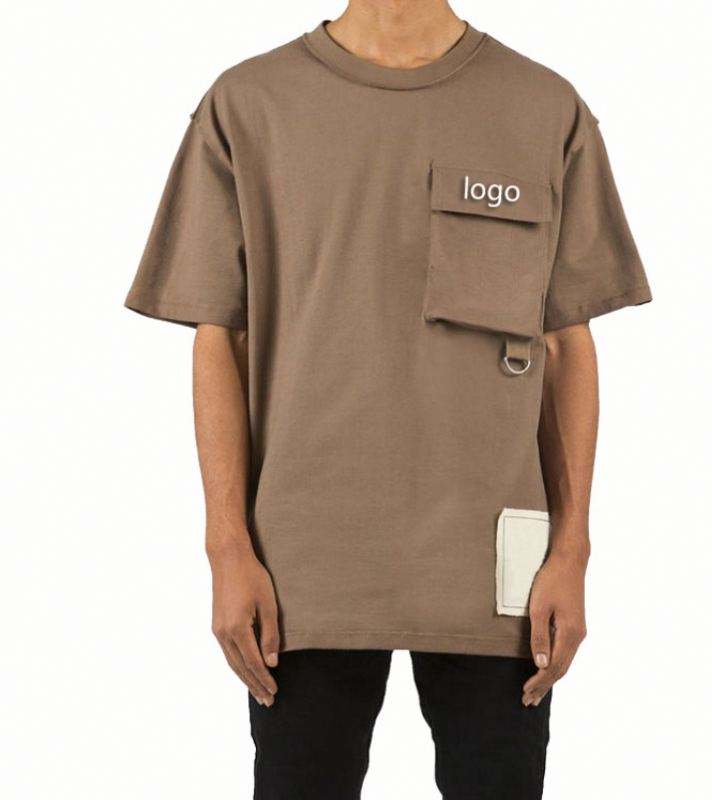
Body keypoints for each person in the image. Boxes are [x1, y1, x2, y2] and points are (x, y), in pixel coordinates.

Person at [125, 1, 651, 797]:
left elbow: (566, 345)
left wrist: (571, 551)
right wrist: (227, 549)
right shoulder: (248, 105)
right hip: (302, 565)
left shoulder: (543, 108)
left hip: (499, 568)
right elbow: (219, 340)